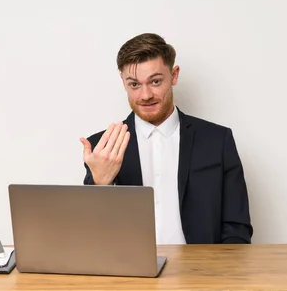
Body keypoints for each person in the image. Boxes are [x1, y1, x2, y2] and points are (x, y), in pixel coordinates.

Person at [80, 33, 252, 244]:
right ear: (123, 82)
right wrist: (100, 184)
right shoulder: (103, 147)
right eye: (134, 84)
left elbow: (237, 227)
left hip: (203, 272)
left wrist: (218, 273)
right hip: (130, 273)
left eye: (155, 81)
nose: (145, 95)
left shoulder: (217, 141)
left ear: (174, 75)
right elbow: (90, 235)